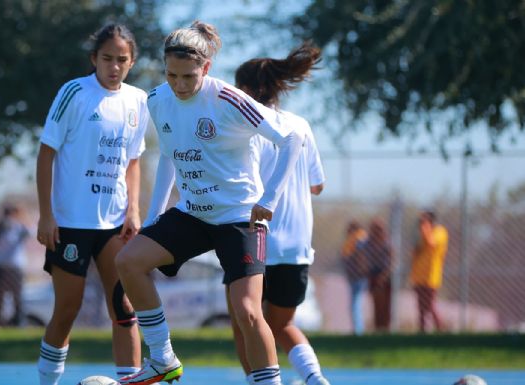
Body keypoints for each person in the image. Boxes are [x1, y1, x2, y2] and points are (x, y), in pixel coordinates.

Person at [115, 21, 306, 385]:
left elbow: (291, 139)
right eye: (172, 75)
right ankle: (163, 358)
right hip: (193, 215)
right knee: (129, 261)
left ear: (206, 68)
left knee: (248, 311)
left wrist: (269, 198)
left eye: (188, 76)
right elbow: (169, 156)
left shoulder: (229, 99)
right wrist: (156, 213)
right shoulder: (157, 100)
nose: (179, 85)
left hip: (239, 218)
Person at [34, 23, 149, 385]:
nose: (114, 66)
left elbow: (133, 161)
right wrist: (46, 215)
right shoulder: (73, 93)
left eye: (121, 60)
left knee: (124, 307)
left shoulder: (138, 101)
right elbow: (45, 154)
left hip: (114, 224)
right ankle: (48, 381)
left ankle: (129, 380)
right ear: (93, 59)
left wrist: (133, 209)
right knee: (67, 309)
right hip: (70, 222)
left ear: (131, 63)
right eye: (106, 58)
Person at [225, 44, 330, 385]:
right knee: (282, 324)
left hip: (253, 240)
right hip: (297, 245)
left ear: (249, 92)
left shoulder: (244, 129)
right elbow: (318, 185)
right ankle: (315, 379)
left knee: (246, 325)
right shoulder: (301, 125)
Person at [0, 203, 30, 327]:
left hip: (15, 268)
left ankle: (18, 322)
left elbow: (31, 233)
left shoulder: (20, 228)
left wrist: (20, 221)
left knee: (17, 297)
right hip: (1, 267)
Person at [409, 210, 449, 333]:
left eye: (425, 221)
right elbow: (415, 252)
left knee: (430, 305)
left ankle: (441, 330)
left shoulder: (440, 232)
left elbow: (431, 243)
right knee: (421, 308)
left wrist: (425, 228)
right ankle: (422, 333)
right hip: (418, 276)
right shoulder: (422, 233)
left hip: (431, 276)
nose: (422, 224)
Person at [360, 218, 393, 332]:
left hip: (385, 276)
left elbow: (392, 261)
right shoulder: (367, 243)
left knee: (386, 306)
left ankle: (386, 328)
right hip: (373, 275)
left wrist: (384, 276)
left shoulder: (387, 243)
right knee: (376, 304)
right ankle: (378, 328)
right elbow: (362, 257)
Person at [341, 220, 368, 335]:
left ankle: (358, 330)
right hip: (356, 276)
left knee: (355, 304)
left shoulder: (359, 239)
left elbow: (358, 257)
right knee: (356, 303)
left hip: (358, 276)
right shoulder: (359, 239)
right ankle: (358, 329)